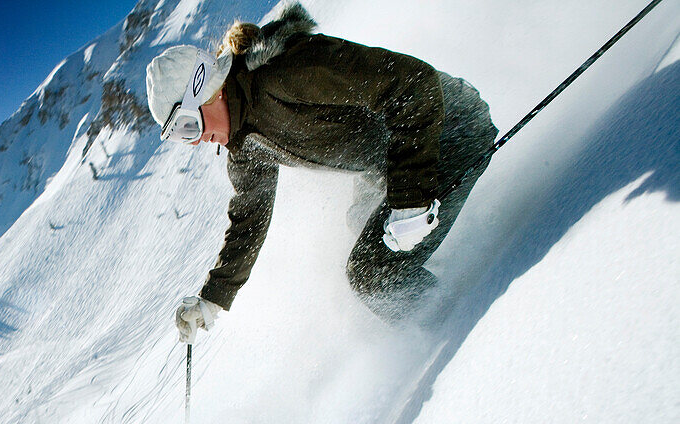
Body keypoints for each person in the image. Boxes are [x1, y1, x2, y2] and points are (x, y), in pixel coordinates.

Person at [145, 3, 498, 341]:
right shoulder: (245, 144)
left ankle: (463, 327)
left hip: (447, 130)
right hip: (393, 162)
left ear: (209, 91)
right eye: (178, 136)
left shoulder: (285, 73)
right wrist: (213, 298)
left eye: (187, 126)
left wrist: (410, 200)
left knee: (372, 273)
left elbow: (414, 84)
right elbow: (249, 220)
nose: (193, 142)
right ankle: (455, 276)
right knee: (360, 225)